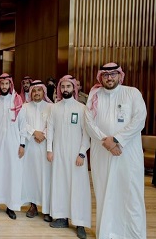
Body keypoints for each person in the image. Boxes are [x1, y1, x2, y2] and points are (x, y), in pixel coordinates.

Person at [85, 63, 147, 239]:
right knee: (104, 192)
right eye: (106, 75)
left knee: (130, 194)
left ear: (120, 75)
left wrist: (117, 139)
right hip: (102, 153)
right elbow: (88, 122)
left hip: (127, 154)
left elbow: (139, 119)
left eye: (113, 74)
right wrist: (107, 142)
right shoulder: (94, 94)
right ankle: (106, 233)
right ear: (100, 77)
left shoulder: (132, 93)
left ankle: (133, 234)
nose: (109, 78)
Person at [46, 75, 91, 239]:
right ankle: (62, 217)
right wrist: (49, 150)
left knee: (78, 188)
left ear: (74, 89)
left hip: (76, 156)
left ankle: (80, 223)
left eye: (68, 87)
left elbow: (86, 134)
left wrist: (82, 152)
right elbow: (50, 130)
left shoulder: (82, 108)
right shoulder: (54, 108)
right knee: (60, 185)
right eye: (63, 87)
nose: (65, 89)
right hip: (58, 154)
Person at [0, 73, 24, 219]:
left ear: (10, 84)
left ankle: (11, 206)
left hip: (13, 144)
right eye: (2, 84)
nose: (4, 86)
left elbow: (22, 125)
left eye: (6, 84)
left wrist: (22, 144)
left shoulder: (17, 101)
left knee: (11, 174)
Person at [18, 80, 53, 222]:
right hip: (31, 146)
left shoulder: (51, 107)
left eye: (39, 90)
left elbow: (53, 123)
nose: (36, 93)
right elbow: (22, 124)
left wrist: (44, 133)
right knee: (31, 177)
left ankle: (47, 208)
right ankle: (33, 206)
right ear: (30, 93)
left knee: (46, 177)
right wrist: (34, 132)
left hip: (46, 147)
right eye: (34, 90)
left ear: (43, 92)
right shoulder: (24, 107)